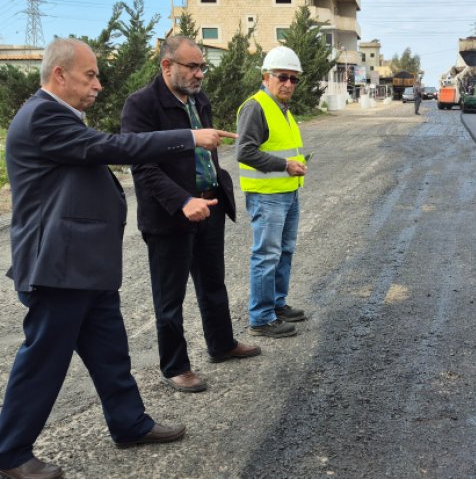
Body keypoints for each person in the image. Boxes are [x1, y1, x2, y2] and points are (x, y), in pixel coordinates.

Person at [0, 38, 235, 478]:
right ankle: (10, 453)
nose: (98, 85)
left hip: (84, 265)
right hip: (57, 267)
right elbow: (113, 148)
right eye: (90, 75)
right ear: (59, 75)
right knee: (43, 360)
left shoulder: (62, 117)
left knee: (110, 353)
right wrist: (186, 137)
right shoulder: (43, 117)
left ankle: (129, 423)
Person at [121, 36, 261, 394]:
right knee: (170, 298)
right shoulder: (141, 105)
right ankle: (176, 366)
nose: (199, 74)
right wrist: (183, 200)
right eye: (192, 67)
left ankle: (222, 344)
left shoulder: (199, 99)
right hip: (171, 215)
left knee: (213, 283)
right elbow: (143, 166)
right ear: (167, 65)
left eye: (202, 67)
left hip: (210, 205)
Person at [236, 46, 309, 338]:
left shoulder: (281, 108)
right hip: (267, 197)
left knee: (284, 252)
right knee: (266, 256)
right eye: (283, 77)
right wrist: (285, 165)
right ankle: (261, 318)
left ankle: (277, 305)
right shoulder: (256, 107)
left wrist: (293, 168)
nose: (289, 84)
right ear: (266, 76)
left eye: (294, 79)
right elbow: (244, 152)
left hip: (287, 193)